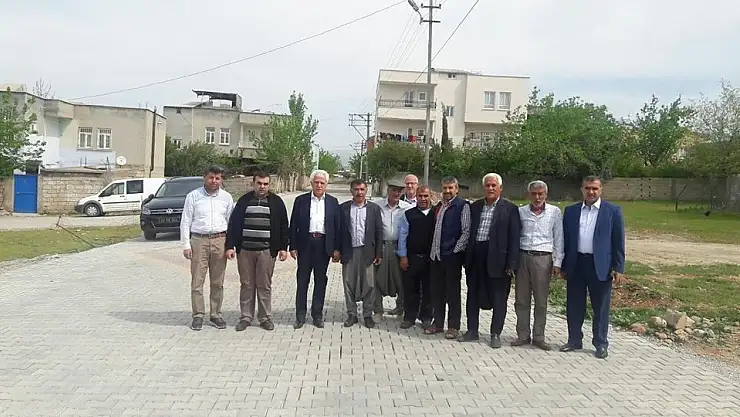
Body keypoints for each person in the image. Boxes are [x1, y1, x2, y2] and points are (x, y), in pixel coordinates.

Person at [560, 175, 626, 359]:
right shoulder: (571, 211)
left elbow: (618, 241)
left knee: (601, 307)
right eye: (587, 188)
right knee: (574, 305)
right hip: (576, 263)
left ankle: (601, 343)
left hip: (601, 266)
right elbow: (566, 239)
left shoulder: (612, 211)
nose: (591, 192)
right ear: (582, 189)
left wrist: (618, 267)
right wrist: (563, 265)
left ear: (600, 190)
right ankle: (574, 340)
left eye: (595, 188)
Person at [461, 173, 520, 348]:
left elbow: (514, 238)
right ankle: (472, 330)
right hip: (476, 256)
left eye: (494, 185)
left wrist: (511, 264)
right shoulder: (475, 207)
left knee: (499, 298)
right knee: (472, 295)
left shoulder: (510, 209)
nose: (490, 188)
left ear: (500, 188)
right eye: (487, 185)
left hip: (498, 260)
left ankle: (495, 333)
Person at [225, 172, 289, 332]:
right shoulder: (244, 201)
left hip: (266, 251)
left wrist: (283, 248)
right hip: (245, 251)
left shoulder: (276, 202)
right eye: (259, 183)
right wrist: (230, 246)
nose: (262, 187)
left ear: (269, 185)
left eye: (265, 184)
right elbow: (233, 224)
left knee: (264, 285)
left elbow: (283, 226)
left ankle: (265, 318)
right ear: (253, 184)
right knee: (247, 284)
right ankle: (246, 317)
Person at [180, 165, 235, 331]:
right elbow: (185, 221)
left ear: (221, 180)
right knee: (197, 281)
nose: (214, 181)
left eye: (218, 178)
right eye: (211, 177)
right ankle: (198, 315)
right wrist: (186, 245)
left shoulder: (226, 197)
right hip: (199, 240)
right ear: (205, 177)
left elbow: (231, 222)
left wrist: (230, 245)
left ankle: (215, 314)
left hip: (220, 240)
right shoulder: (193, 196)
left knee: (218, 282)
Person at [512, 180, 563, 350]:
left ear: (546, 194)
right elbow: (515, 236)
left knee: (541, 300)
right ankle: (523, 334)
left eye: (540, 194)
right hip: (523, 257)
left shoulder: (554, 212)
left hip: (543, 259)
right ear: (529, 195)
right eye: (534, 194)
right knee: (521, 299)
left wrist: (557, 262)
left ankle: (539, 336)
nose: (537, 197)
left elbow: (559, 238)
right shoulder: (521, 212)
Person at [289, 169, 341, 329]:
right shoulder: (301, 200)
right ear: (311, 183)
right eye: (316, 182)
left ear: (326, 185)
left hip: (323, 245)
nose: (319, 185)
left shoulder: (333, 202)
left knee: (320, 281)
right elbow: (294, 224)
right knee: (302, 280)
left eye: (322, 183)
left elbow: (337, 226)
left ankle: (317, 315)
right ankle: (300, 316)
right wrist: (293, 246)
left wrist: (336, 248)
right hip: (305, 244)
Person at [425, 176, 470, 340]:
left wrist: (454, 251)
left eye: (451, 188)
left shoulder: (462, 206)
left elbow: (466, 231)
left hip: (451, 257)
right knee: (437, 292)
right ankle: (438, 323)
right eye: (445, 188)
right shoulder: (439, 206)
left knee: (452, 293)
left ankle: (453, 326)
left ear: (456, 189)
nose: (447, 191)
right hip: (436, 256)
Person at [338, 179, 383, 328]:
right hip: (349, 251)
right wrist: (337, 250)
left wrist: (378, 253)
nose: (359, 192)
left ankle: (367, 314)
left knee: (369, 284)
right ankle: (352, 314)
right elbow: (338, 230)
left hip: (367, 251)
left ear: (366, 190)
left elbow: (379, 231)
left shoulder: (374, 209)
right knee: (348, 283)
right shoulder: (343, 208)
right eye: (356, 189)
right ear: (351, 191)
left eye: (362, 189)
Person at [397, 185, 434, 330]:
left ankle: (426, 318)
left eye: (426, 196)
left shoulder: (436, 214)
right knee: (410, 289)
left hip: (431, 259)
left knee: (429, 290)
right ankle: (409, 317)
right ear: (416, 197)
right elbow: (402, 236)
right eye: (420, 196)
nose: (423, 199)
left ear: (431, 196)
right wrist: (403, 256)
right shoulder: (408, 214)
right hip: (412, 258)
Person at [374, 178, 411, 318]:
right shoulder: (376, 206)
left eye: (399, 191)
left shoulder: (407, 208)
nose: (396, 193)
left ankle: (400, 307)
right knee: (377, 278)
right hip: (381, 247)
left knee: (401, 279)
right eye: (394, 190)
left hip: (399, 247)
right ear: (388, 190)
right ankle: (377, 310)